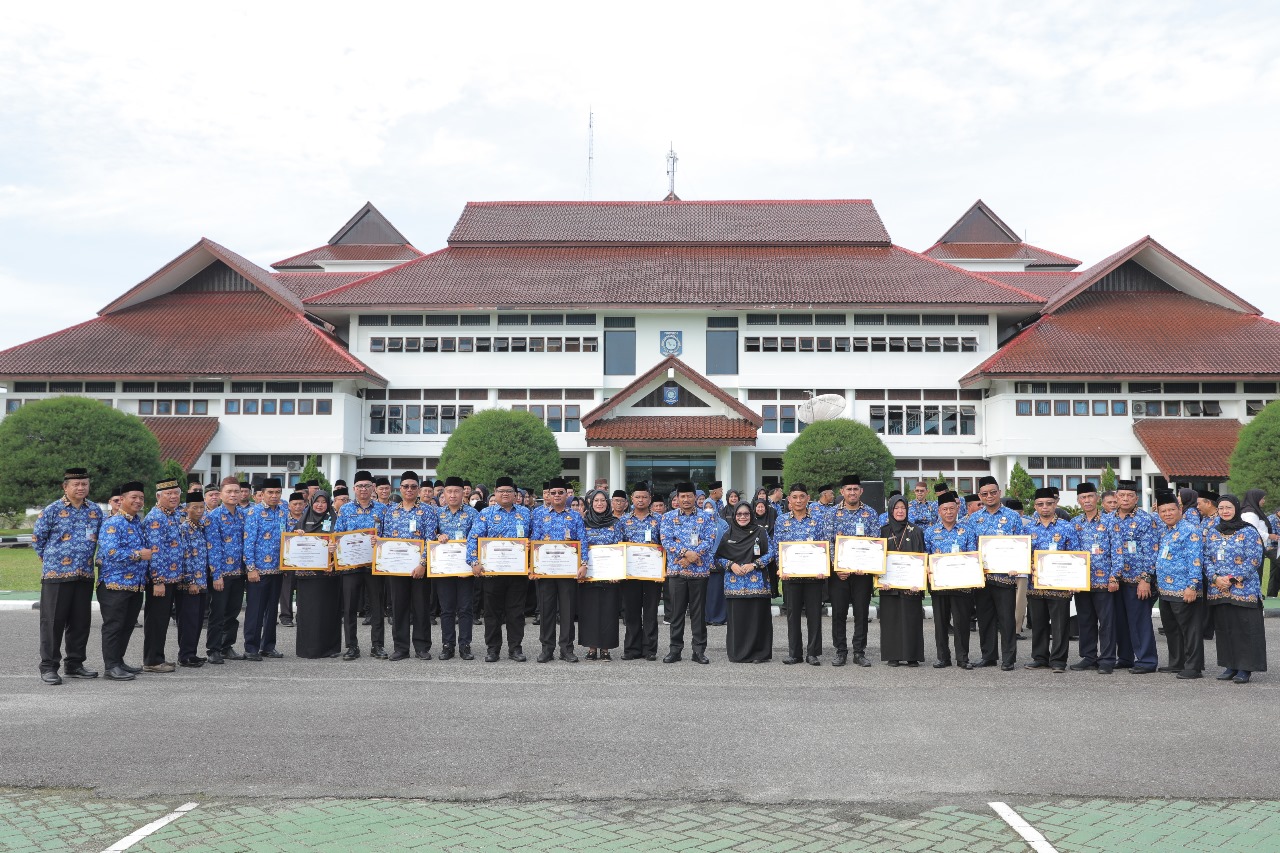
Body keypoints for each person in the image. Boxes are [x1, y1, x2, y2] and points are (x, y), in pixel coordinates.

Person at [33, 467, 103, 685]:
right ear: (65, 487)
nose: (81, 488)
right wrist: (50, 561)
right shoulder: (52, 510)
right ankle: (49, 666)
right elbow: (38, 539)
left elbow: (100, 539)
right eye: (76, 484)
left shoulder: (95, 511)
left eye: (85, 484)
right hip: (57, 576)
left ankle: (74, 664)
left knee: (80, 622)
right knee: (53, 622)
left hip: (83, 574)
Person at [1204, 495, 1267, 684]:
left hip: (1243, 589)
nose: (1225, 511)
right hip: (1219, 589)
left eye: (1229, 507)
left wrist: (1232, 579)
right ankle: (1229, 665)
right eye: (1221, 508)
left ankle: (1245, 668)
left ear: (1236, 509)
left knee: (1244, 628)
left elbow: (1254, 559)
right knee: (1225, 629)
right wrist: (1215, 578)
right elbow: (1206, 558)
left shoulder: (1248, 531)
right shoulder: (1213, 532)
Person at [466, 476, 527, 662]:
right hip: (492, 573)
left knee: (516, 612)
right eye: (501, 491)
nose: (505, 494)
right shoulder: (486, 513)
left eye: (509, 491)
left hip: (517, 572)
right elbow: (473, 539)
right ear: (495, 492)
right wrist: (474, 561)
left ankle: (515, 648)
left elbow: (535, 538)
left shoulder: (525, 513)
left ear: (515, 495)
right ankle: (493, 649)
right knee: (492, 613)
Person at [967, 475, 1025, 670]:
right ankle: (988, 656)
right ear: (979, 496)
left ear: (999, 492)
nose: (989, 496)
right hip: (982, 578)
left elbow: (1020, 545)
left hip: (1005, 577)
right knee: (985, 619)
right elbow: (970, 547)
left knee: (1007, 619)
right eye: (985, 494)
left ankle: (1009, 658)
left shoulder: (1012, 516)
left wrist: (1018, 566)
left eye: (993, 492)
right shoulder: (974, 518)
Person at [379, 471, 438, 661]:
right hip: (396, 568)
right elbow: (385, 539)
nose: (409, 490)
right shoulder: (391, 511)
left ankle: (421, 647)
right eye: (406, 486)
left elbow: (430, 538)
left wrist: (422, 564)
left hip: (419, 568)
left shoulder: (428, 511)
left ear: (419, 489)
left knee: (421, 608)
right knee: (399, 607)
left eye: (413, 486)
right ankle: (401, 647)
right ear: (400, 488)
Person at [96, 482, 151, 681]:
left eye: (141, 498)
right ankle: (111, 667)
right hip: (114, 584)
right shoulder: (113, 523)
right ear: (122, 500)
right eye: (134, 497)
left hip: (135, 584)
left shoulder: (136, 522)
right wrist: (138, 554)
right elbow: (110, 552)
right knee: (114, 626)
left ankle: (118, 661)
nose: (138, 501)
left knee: (127, 625)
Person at [774, 483, 831, 666]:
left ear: (808, 498)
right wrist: (780, 568)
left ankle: (813, 653)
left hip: (814, 577)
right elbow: (777, 547)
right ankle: (794, 653)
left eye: (802, 497)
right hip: (791, 577)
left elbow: (825, 546)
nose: (798, 500)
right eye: (795, 497)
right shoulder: (782, 520)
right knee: (793, 615)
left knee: (814, 615)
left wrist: (824, 569)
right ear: (789, 500)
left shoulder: (818, 520)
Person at [1023, 488, 1079, 672]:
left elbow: (1075, 555)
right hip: (1035, 585)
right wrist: (1026, 564)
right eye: (1040, 504)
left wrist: (1074, 581)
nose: (1045, 507)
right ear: (1035, 506)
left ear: (1055, 504)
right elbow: (1021, 554)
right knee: (1038, 623)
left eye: (1049, 503)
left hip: (1060, 585)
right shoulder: (1028, 528)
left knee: (1060, 625)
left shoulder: (1066, 527)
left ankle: (1058, 661)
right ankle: (1039, 658)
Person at [661, 481, 717, 664]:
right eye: (682, 496)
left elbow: (710, 539)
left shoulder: (706, 517)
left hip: (699, 572)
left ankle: (699, 651)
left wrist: (693, 556)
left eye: (689, 496)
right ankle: (675, 650)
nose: (686, 499)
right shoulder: (668, 517)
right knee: (676, 614)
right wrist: (687, 554)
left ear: (695, 497)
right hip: (677, 572)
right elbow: (666, 540)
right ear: (677, 498)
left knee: (698, 614)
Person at [530, 477, 585, 662]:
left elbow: (582, 541)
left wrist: (583, 564)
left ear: (566, 495)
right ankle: (547, 648)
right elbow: (534, 541)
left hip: (568, 571)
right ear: (548, 495)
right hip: (545, 571)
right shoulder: (539, 514)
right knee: (546, 610)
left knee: (568, 611)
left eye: (560, 492)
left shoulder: (575, 516)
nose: (556, 496)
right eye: (553, 493)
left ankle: (567, 649)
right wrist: (532, 566)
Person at [829, 474, 880, 667]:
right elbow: (829, 543)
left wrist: (866, 566)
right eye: (848, 489)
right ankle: (840, 651)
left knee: (861, 613)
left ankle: (859, 652)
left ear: (861, 491)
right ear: (841, 492)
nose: (852, 492)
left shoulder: (870, 513)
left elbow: (875, 543)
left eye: (855, 489)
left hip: (862, 574)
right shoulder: (832, 514)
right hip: (839, 575)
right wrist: (837, 567)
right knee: (839, 613)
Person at [335, 470, 387, 661]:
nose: (363, 489)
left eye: (367, 485)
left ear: (373, 488)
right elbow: (338, 533)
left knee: (377, 606)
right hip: (350, 566)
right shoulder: (346, 510)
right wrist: (335, 544)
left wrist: (380, 540)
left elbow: (388, 536)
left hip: (374, 565)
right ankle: (351, 646)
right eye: (359, 486)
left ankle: (377, 645)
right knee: (349, 607)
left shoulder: (382, 509)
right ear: (354, 488)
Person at [923, 491, 979, 669]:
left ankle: (963, 658)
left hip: (961, 585)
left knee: (961, 622)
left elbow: (972, 556)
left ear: (957, 509)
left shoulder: (967, 531)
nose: (949, 512)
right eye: (945, 509)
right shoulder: (930, 532)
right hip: (939, 585)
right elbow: (926, 557)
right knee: (940, 623)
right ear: (939, 511)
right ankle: (943, 657)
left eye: (952, 508)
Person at [1154, 489, 1205, 679]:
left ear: (1180, 509)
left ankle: (1194, 667)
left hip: (1185, 590)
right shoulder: (1165, 531)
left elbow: (1196, 560)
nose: (1167, 514)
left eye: (1171, 510)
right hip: (1166, 590)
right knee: (1171, 629)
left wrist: (1192, 586)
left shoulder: (1190, 531)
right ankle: (1177, 662)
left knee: (1190, 630)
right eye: (1163, 511)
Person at [1110, 479, 1160, 674]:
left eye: (1129, 496)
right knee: (1120, 621)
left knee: (1140, 621)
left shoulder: (1145, 520)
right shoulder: (1109, 519)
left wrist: (1146, 579)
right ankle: (1125, 657)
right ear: (1115, 497)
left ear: (1136, 498)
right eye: (1121, 495)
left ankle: (1147, 660)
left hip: (1137, 579)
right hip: (1116, 580)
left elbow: (1151, 551)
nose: (1125, 499)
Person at [1069, 483, 1119, 674]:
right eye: (1083, 498)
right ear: (1078, 501)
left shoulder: (1109, 521)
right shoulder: (1075, 523)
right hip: (1081, 581)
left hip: (1104, 581)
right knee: (1085, 620)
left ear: (1097, 498)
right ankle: (1088, 656)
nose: (1087, 501)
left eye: (1090, 496)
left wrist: (1114, 577)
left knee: (1106, 622)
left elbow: (1117, 551)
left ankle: (1107, 659)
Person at [718, 502, 775, 663]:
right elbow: (718, 557)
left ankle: (760, 654)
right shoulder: (728, 534)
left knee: (757, 619)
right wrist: (732, 565)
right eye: (739, 514)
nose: (742, 517)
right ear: (734, 516)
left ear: (751, 515)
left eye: (746, 514)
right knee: (738, 620)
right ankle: (738, 654)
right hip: (734, 583)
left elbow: (772, 553)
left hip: (757, 583)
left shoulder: (760, 532)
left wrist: (754, 564)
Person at [140, 477, 185, 674]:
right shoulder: (156, 518)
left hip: (173, 577)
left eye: (176, 493)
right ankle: (152, 660)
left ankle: (158, 657)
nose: (173, 497)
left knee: (163, 620)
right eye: (169, 494)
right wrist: (158, 581)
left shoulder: (174, 515)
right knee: (156, 620)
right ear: (159, 496)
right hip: (161, 580)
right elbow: (155, 552)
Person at [877, 495, 926, 666]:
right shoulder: (882, 531)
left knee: (911, 619)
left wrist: (919, 582)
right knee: (891, 620)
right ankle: (893, 655)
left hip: (910, 586)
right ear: (890, 510)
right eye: (896, 508)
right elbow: (876, 558)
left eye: (903, 508)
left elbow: (922, 558)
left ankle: (912, 656)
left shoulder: (917, 531)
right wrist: (879, 579)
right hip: (888, 586)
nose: (900, 511)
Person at [293, 491, 342, 659]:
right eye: (317, 502)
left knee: (328, 612)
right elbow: (291, 545)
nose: (320, 505)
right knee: (309, 612)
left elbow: (342, 543)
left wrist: (334, 547)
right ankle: (308, 649)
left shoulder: (335, 521)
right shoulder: (302, 522)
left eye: (324, 502)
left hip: (329, 575)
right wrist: (298, 536)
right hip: (308, 576)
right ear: (311, 503)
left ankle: (330, 649)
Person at [203, 477, 247, 664]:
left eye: (236, 491)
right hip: (221, 573)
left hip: (239, 572)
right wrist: (217, 575)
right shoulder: (213, 517)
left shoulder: (243, 515)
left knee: (233, 612)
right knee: (218, 613)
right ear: (220, 494)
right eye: (229, 491)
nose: (233, 495)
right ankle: (213, 648)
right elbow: (213, 547)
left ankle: (226, 646)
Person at [242, 477, 287, 661]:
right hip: (259, 571)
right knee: (255, 610)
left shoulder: (283, 512)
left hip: (278, 569)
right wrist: (251, 568)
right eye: (270, 493)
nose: (274, 496)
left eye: (277, 492)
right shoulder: (254, 512)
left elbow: (288, 536)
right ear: (262, 494)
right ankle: (251, 647)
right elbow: (248, 542)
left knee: (271, 610)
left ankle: (268, 646)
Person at [579, 489, 624, 660]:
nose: (599, 503)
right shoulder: (584, 522)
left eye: (603, 500)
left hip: (610, 575)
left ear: (608, 503)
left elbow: (620, 546)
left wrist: (617, 572)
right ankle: (591, 648)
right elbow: (580, 546)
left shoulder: (615, 522)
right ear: (591, 503)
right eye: (596, 500)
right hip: (589, 575)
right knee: (590, 612)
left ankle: (605, 649)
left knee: (608, 612)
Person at [620, 482, 663, 661]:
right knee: (631, 612)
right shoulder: (623, 520)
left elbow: (664, 545)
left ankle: (649, 649)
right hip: (630, 574)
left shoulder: (659, 520)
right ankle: (631, 649)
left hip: (652, 573)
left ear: (650, 499)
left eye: (644, 497)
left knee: (651, 612)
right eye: (637, 497)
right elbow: (618, 545)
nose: (641, 500)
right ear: (632, 498)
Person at [176, 485, 209, 668]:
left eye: (201, 507)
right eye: (194, 507)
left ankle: (192, 652)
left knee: (197, 620)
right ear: (186, 509)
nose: (198, 511)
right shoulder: (183, 529)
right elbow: (183, 556)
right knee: (188, 620)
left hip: (202, 580)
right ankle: (185, 655)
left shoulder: (202, 528)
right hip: (189, 583)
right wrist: (190, 581)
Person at [277, 490, 307, 628]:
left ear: (305, 504)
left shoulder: (309, 519)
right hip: (288, 559)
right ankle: (285, 616)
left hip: (306, 560)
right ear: (289, 505)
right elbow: (280, 539)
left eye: (301, 504)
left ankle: (302, 615)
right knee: (286, 589)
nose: (298, 507)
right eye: (295, 504)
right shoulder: (283, 519)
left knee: (303, 589)